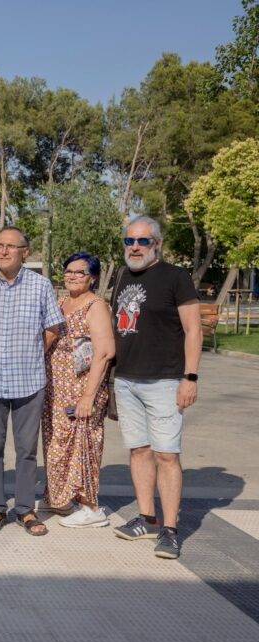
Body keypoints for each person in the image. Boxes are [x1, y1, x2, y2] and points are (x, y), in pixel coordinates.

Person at [0, 226, 64, 537]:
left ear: (25, 251)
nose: (3, 251)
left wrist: (29, 355)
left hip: (28, 382)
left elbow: (52, 329)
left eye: (10, 246)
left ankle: (24, 509)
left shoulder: (40, 286)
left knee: (26, 449)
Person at [111, 216, 201, 559]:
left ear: (157, 244)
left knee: (166, 454)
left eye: (142, 241)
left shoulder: (176, 277)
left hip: (165, 380)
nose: (135, 247)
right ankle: (147, 519)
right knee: (139, 450)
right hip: (127, 379)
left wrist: (190, 377)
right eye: (129, 241)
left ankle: (170, 529)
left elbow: (193, 330)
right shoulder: (122, 276)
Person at [41, 251, 115, 528]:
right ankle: (60, 497)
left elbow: (104, 352)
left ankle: (90, 506)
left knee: (83, 443)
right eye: (68, 271)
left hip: (82, 388)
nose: (72, 276)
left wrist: (88, 396)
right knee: (57, 443)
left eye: (79, 272)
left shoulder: (96, 306)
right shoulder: (60, 303)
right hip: (55, 388)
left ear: (92, 277)